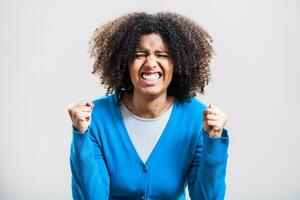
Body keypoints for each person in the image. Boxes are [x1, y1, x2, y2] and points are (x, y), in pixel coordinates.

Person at [68, 12, 229, 200]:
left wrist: (213, 141)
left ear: (176, 64)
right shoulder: (96, 117)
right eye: (139, 54)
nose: (151, 63)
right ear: (125, 63)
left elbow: (207, 198)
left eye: (162, 55)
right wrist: (81, 137)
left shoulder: (196, 118)